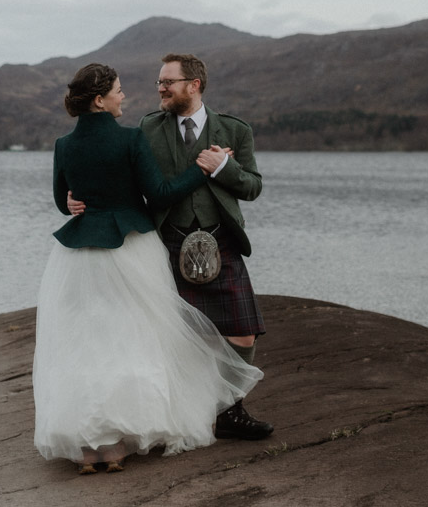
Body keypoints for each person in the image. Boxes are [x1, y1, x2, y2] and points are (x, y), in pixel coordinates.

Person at [32, 63, 262, 475]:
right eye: (119, 91)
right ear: (100, 99)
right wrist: (201, 169)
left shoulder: (63, 144)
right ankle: (123, 440)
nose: (127, 96)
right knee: (132, 341)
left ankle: (91, 446)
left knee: (85, 344)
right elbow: (156, 194)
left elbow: (60, 198)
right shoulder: (133, 137)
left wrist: (74, 204)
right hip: (130, 250)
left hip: (77, 256)